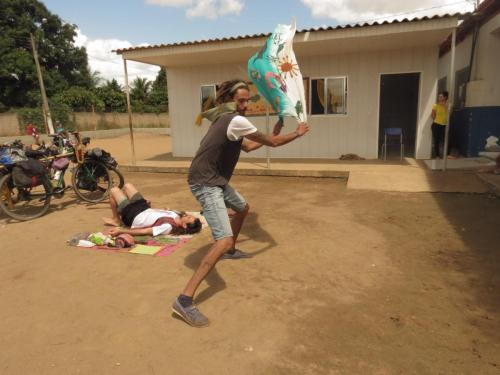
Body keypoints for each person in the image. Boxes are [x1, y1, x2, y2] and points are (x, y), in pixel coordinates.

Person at [172, 79, 309, 327]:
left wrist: (276, 130)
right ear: (229, 100)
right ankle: (184, 299)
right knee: (221, 240)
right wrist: (296, 133)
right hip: (206, 182)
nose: (246, 105)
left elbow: (247, 147)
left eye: (247, 100)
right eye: (242, 100)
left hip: (216, 179)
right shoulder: (233, 119)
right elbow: (272, 143)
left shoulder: (228, 120)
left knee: (243, 208)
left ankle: (231, 251)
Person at [103, 183, 202, 237]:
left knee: (114, 190)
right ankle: (120, 211)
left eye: (188, 217)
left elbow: (144, 231)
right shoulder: (177, 215)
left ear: (184, 225)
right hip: (144, 208)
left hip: (133, 216)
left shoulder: (168, 227)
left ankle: (116, 219)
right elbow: (161, 213)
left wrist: (121, 231)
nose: (186, 215)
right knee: (127, 186)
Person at [431, 91, 449, 159]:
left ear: (445, 97)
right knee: (436, 140)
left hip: (444, 125)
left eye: (441, 96)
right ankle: (437, 156)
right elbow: (432, 115)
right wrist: (437, 119)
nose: (439, 98)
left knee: (446, 139)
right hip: (436, 125)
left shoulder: (447, 106)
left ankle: (446, 155)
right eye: (439, 96)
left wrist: (444, 106)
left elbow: (449, 114)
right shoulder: (435, 105)